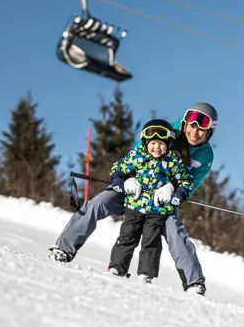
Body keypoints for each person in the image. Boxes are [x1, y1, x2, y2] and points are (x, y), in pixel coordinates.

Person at [50, 102, 218, 295]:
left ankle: (194, 282)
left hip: (161, 200)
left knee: (174, 230)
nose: (195, 133)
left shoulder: (205, 156)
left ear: (210, 133)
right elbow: (135, 156)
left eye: (202, 131)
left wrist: (173, 189)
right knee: (98, 203)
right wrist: (127, 180)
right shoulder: (163, 129)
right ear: (184, 124)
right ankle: (63, 249)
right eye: (192, 127)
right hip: (134, 190)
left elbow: (192, 183)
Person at [105, 119, 194, 283]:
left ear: (168, 143)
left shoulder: (174, 161)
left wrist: (176, 192)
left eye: (161, 143)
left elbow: (186, 181)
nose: (156, 147)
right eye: (153, 143)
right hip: (134, 205)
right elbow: (118, 167)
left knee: (151, 241)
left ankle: (146, 273)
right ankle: (117, 266)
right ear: (145, 142)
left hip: (157, 209)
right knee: (127, 236)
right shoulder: (137, 155)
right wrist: (121, 181)